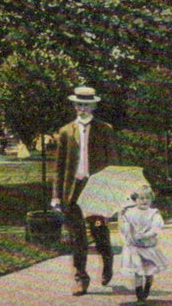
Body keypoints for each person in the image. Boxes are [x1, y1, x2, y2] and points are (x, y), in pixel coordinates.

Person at [51, 86, 119, 296]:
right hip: (73, 192)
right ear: (74, 105)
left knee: (99, 231)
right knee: (77, 237)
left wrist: (113, 193)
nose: (82, 108)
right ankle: (81, 277)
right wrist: (55, 195)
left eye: (87, 105)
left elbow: (112, 163)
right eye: (79, 104)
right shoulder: (65, 132)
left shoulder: (104, 129)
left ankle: (107, 261)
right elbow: (59, 167)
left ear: (94, 106)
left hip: (96, 191)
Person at [118, 185, 168, 302]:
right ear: (135, 200)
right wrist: (121, 215)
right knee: (138, 271)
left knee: (149, 271)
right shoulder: (129, 213)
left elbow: (156, 228)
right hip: (135, 247)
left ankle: (148, 286)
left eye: (147, 198)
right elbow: (124, 228)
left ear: (151, 199)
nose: (144, 201)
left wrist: (146, 235)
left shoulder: (154, 213)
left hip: (148, 247)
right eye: (141, 198)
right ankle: (139, 294)